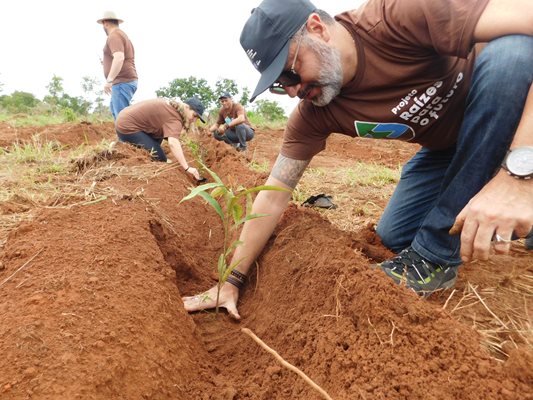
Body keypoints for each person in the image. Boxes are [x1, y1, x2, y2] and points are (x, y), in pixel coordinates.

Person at [183, 0, 533, 319]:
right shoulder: (315, 112)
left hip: (518, 124)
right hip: (446, 151)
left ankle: (436, 256)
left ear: (317, 29)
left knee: (513, 53)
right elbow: (273, 193)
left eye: (290, 72)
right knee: (393, 237)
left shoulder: (399, 16)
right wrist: (232, 280)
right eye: (279, 85)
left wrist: (517, 173)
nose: (292, 91)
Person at [115, 97, 205, 180]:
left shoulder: (173, 107)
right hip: (127, 126)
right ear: (186, 107)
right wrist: (187, 167)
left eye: (197, 118)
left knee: (158, 141)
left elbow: (169, 134)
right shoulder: (175, 117)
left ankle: (127, 145)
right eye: (194, 115)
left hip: (126, 118)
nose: (194, 120)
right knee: (160, 158)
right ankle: (121, 146)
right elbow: (173, 142)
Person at [97, 11, 138, 120]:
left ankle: (126, 137)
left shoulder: (114, 36)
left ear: (105, 23)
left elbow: (119, 57)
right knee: (117, 113)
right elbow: (119, 57)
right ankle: (126, 137)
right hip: (124, 82)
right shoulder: (121, 35)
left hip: (122, 82)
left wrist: (109, 80)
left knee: (122, 119)